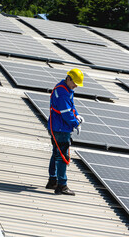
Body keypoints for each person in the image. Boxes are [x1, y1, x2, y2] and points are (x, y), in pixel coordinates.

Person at [45, 68, 85, 196]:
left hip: (57, 126)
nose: (76, 86)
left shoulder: (65, 89)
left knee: (56, 153)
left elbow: (71, 106)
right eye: (75, 83)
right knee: (62, 156)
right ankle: (62, 185)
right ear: (68, 79)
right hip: (61, 127)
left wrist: (77, 115)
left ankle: (53, 180)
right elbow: (66, 114)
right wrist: (75, 123)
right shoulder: (62, 93)